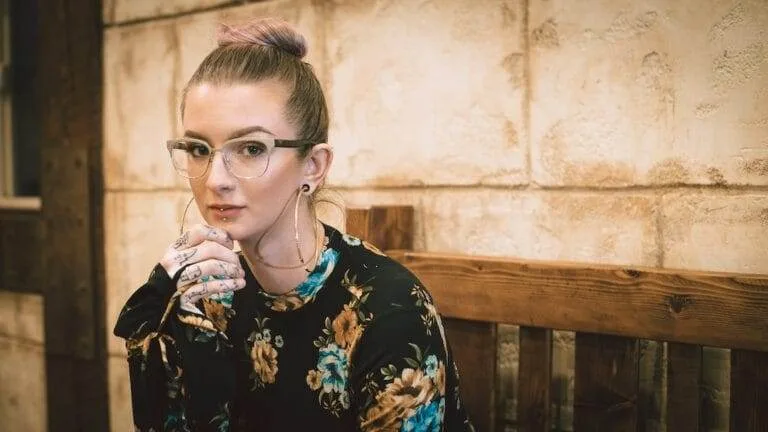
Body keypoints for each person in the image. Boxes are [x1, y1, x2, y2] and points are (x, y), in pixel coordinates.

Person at [114, 17, 474, 432]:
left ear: (314, 166)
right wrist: (169, 313)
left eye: (250, 148)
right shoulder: (208, 293)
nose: (215, 179)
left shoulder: (386, 314)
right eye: (198, 148)